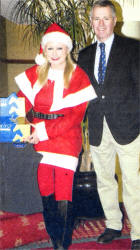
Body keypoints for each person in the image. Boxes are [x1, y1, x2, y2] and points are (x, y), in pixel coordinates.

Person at [14, 23, 97, 250]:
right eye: (50, 49)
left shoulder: (78, 76)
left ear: (67, 50)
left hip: (66, 140)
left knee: (63, 190)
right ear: (44, 49)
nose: (55, 54)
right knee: (45, 189)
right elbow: (21, 104)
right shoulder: (34, 74)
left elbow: (74, 117)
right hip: (39, 140)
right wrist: (27, 130)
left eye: (59, 49)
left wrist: (42, 132)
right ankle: (54, 237)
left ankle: (63, 243)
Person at [77, 1, 140, 250]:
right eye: (96, 19)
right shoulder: (85, 55)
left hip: (128, 128)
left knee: (132, 182)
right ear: (91, 22)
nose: (101, 24)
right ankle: (113, 224)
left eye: (106, 18)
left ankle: (137, 232)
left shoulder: (133, 49)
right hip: (98, 128)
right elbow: (79, 95)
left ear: (115, 21)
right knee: (104, 180)